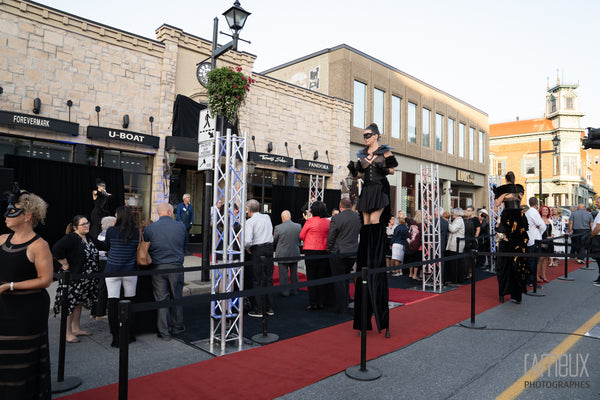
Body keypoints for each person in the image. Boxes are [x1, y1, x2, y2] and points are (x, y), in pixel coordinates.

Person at [0, 189, 53, 399]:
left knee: (22, 361)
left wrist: (10, 286)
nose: (6, 215)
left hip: (27, 312)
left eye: (12, 212)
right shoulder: (2, 238)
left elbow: (45, 280)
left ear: (27, 216)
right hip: (3, 308)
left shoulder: (39, 245)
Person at [347, 122, 397, 337]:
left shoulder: (385, 151)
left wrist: (380, 166)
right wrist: (353, 171)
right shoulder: (361, 153)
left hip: (379, 189)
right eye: (364, 135)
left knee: (375, 222)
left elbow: (393, 170)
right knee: (366, 222)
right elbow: (359, 176)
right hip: (366, 190)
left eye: (368, 135)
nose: (365, 138)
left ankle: (375, 250)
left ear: (376, 136)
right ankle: (367, 248)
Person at [53, 215, 101, 342]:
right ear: (75, 227)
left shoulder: (88, 237)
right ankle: (67, 333)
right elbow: (56, 249)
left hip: (85, 280)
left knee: (78, 304)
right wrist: (64, 264)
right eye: (83, 224)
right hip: (73, 278)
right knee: (69, 304)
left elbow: (104, 245)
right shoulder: (71, 238)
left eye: (87, 223)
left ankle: (76, 329)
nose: (87, 226)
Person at [143, 203, 187, 340]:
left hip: (158, 267)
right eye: (173, 212)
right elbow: (184, 246)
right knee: (177, 297)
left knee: (161, 300)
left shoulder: (150, 228)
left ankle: (164, 332)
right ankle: (177, 326)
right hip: (176, 265)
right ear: (169, 212)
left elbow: (146, 248)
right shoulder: (180, 226)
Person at [105, 206, 140, 347]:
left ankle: (115, 337)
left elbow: (107, 246)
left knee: (112, 302)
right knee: (130, 301)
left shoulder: (111, 231)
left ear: (118, 217)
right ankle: (130, 334)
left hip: (112, 270)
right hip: (130, 270)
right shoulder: (136, 232)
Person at [493, 171, 529, 304]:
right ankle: (517, 294)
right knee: (518, 261)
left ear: (506, 180)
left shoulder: (504, 192)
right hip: (518, 221)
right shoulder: (519, 191)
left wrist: (497, 213)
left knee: (504, 264)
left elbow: (496, 204)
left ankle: (503, 293)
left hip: (508, 219)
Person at [327, 198, 361, 313]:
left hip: (339, 252)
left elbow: (331, 236)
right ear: (350, 205)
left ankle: (341, 306)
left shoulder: (336, 218)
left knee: (339, 279)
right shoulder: (358, 217)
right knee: (346, 278)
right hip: (352, 252)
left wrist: (330, 249)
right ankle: (345, 302)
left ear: (340, 206)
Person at [245, 199, 274, 317]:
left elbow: (247, 241)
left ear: (249, 210)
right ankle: (269, 308)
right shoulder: (267, 217)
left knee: (256, 280)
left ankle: (258, 309)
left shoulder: (250, 221)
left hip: (258, 249)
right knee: (268, 279)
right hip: (269, 248)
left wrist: (247, 248)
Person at [300, 201, 331, 311]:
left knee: (312, 277)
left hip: (311, 251)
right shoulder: (328, 222)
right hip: (324, 251)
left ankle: (313, 303)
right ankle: (321, 302)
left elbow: (302, 235)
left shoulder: (309, 221)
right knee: (322, 277)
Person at [91, 215, 116, 319]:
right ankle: (100, 312)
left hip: (100, 262)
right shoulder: (108, 234)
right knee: (103, 287)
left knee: (100, 286)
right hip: (105, 262)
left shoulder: (101, 234)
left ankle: (95, 311)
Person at [273, 210, 302, 297]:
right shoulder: (298, 226)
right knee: (294, 273)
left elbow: (274, 241)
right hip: (294, 253)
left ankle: (285, 292)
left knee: (283, 274)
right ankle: (295, 290)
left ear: (282, 218)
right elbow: (300, 239)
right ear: (290, 217)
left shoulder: (278, 227)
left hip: (282, 254)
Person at [525, 197, 546, 286]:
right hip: (534, 240)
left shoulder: (528, 212)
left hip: (529, 238)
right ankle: (531, 281)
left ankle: (530, 280)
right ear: (537, 204)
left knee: (530, 260)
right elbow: (542, 226)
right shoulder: (534, 212)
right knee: (533, 261)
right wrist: (539, 232)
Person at [445, 208, 465, 284]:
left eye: (453, 213)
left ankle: (455, 279)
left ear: (456, 214)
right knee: (455, 263)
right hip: (456, 244)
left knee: (455, 263)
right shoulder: (458, 220)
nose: (452, 214)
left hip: (456, 245)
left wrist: (447, 223)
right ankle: (456, 279)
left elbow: (452, 229)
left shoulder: (459, 221)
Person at [537, 205, 553, 284]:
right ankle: (536, 275)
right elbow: (538, 231)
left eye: (547, 210)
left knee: (546, 258)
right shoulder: (539, 220)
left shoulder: (549, 220)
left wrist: (552, 236)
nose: (545, 211)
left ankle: (543, 275)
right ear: (541, 211)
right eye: (543, 210)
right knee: (540, 258)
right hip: (542, 241)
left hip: (549, 241)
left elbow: (551, 230)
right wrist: (541, 241)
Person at [390, 212, 409, 276]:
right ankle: (400, 271)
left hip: (396, 244)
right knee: (400, 258)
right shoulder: (406, 228)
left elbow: (394, 236)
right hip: (403, 244)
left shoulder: (397, 228)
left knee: (396, 259)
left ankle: (397, 271)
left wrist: (391, 244)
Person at [588, 197, 600, 286]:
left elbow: (598, 227)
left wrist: (591, 235)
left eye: (598, 202)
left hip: (598, 238)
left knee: (599, 258)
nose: (596, 204)